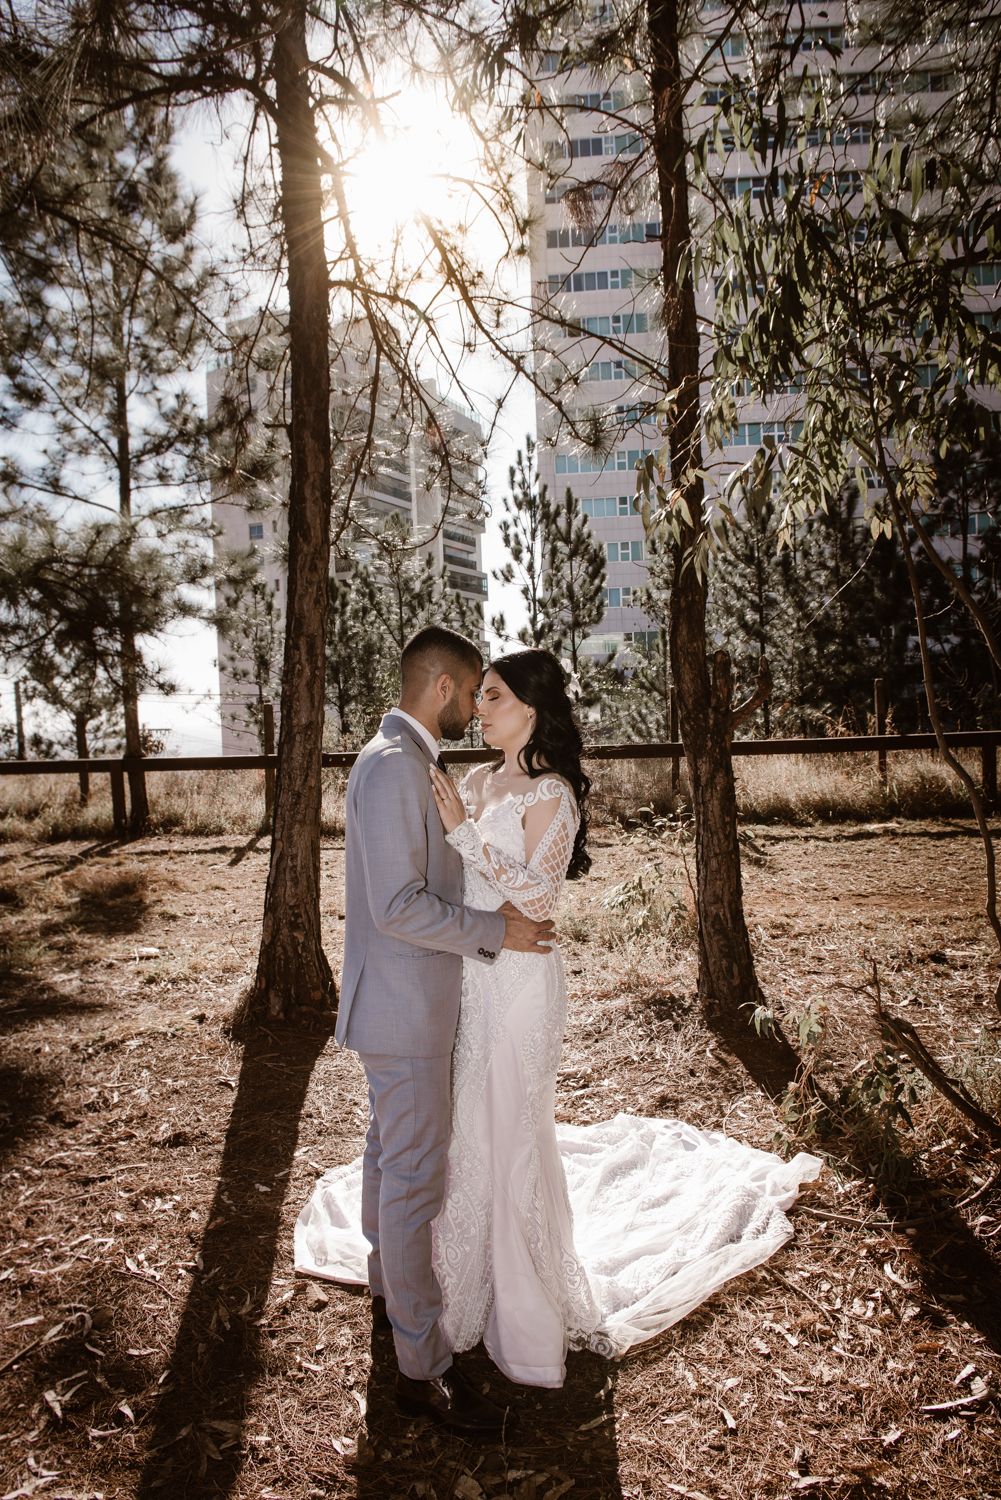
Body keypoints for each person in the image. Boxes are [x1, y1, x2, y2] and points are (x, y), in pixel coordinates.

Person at [297, 648, 822, 1394]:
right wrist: (464, 840)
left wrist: (467, 837)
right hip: (466, 981)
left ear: (534, 707)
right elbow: (434, 889)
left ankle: (516, 1301)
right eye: (476, 695)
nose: (481, 708)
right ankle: (451, 1285)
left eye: (496, 696)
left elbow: (535, 900)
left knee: (507, 1126)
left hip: (518, 983)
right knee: (463, 1131)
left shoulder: (551, 793)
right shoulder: (469, 781)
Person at [333, 625, 556, 1438]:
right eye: (471, 692)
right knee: (414, 1178)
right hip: (406, 1007)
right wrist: (496, 932)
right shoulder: (396, 767)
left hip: (402, 1003)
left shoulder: (401, 761)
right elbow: (396, 906)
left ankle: (389, 1295)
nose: (474, 707)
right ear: (440, 688)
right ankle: (421, 1369)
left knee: (388, 1156)